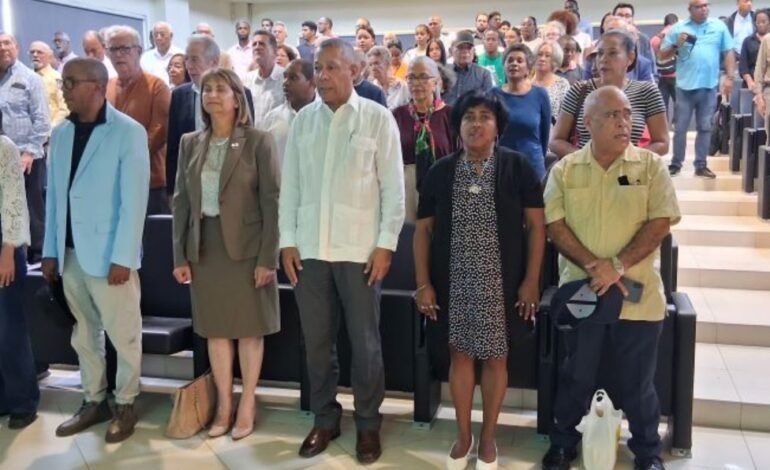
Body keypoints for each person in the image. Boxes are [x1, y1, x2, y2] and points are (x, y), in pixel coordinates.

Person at [279, 38, 405, 465]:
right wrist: (287, 240)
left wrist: (386, 244)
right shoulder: (302, 123)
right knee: (316, 343)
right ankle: (325, 418)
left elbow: (394, 190)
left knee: (366, 344)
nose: (324, 76)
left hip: (361, 251)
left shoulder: (377, 119)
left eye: (333, 67)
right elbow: (290, 187)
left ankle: (368, 424)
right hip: (311, 250)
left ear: (355, 70)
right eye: (319, 68)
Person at [542, 85, 681, 470]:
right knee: (576, 376)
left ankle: (648, 452)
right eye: (612, 115)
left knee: (639, 385)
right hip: (584, 294)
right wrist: (594, 266)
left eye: (627, 114)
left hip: (637, 297)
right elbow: (555, 225)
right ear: (587, 123)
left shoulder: (650, 167)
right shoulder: (566, 170)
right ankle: (563, 443)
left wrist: (615, 266)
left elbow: (660, 223)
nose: (624, 122)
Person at [415, 90, 545, 470]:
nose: (475, 123)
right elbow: (423, 232)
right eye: (468, 117)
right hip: (453, 281)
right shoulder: (441, 170)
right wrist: (423, 284)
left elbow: (537, 228)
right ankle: (463, 435)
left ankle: (487, 438)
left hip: (500, 282)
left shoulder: (518, 167)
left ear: (498, 126)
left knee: (496, 358)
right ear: (457, 127)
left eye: (485, 116)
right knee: (460, 355)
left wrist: (531, 280)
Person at [43, 57, 149, 443]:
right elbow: (55, 195)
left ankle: (126, 402)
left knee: (124, 334)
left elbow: (134, 201)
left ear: (96, 86)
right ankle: (93, 399)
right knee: (84, 334)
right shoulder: (61, 133)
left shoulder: (127, 132)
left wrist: (124, 256)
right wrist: (50, 249)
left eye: (70, 82)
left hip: (109, 255)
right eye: (63, 82)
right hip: (70, 252)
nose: (63, 90)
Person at [172, 67, 280, 441]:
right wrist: (179, 255)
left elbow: (272, 201)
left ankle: (247, 402)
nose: (212, 95)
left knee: (249, 330)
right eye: (207, 90)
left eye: (220, 89)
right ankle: (224, 404)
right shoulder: (190, 142)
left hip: (248, 249)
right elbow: (181, 201)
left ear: (237, 97)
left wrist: (269, 257)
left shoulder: (258, 141)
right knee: (216, 331)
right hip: (205, 247)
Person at [552, 29, 669, 159]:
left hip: (630, 173)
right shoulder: (579, 91)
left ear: (630, 58)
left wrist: (631, 160)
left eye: (612, 53)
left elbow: (662, 143)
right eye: (600, 53)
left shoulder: (647, 92)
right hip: (587, 174)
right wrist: (586, 160)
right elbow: (556, 141)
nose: (603, 59)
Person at [166, 34, 255, 197]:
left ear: (213, 62)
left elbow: (247, 137)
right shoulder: (179, 95)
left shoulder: (239, 93)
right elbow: (173, 146)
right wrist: (172, 191)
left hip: (231, 181)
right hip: (191, 182)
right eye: (187, 59)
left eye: (194, 59)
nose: (189, 66)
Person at [659, 0, 736, 178]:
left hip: (708, 87)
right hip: (684, 88)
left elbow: (729, 52)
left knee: (705, 127)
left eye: (706, 5)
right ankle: (676, 163)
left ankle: (701, 165)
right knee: (680, 129)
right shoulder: (678, 28)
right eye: (699, 7)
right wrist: (676, 44)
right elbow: (662, 56)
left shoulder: (719, 26)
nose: (703, 9)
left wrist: (730, 78)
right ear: (690, 9)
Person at [105, 25, 171, 215]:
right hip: (113, 183)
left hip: (151, 182)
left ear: (139, 51)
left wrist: (127, 161)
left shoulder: (156, 87)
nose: (118, 55)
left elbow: (159, 132)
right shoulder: (105, 87)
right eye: (113, 49)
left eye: (124, 49)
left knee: (154, 242)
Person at [0, 111, 39, 430]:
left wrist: (10, 250)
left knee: (9, 328)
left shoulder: (4, 146)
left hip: (4, 248)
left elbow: (14, 200)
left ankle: (23, 400)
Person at [0, 33, 50, 264]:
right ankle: (13, 254)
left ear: (16, 48)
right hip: (2, 158)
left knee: (32, 208)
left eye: (6, 43)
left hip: (25, 155)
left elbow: (42, 121)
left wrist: (29, 153)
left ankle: (38, 257)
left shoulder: (30, 78)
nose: (2, 48)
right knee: (7, 209)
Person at [393, 56, 458, 222]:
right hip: (406, 189)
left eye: (423, 77)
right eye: (411, 77)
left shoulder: (451, 115)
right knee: (410, 242)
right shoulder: (397, 115)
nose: (416, 83)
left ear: (436, 82)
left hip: (444, 185)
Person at [490, 44, 551, 180]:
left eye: (519, 60)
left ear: (528, 68)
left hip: (533, 166)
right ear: (504, 66)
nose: (514, 64)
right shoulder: (493, 94)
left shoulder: (540, 94)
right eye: (510, 60)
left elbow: (544, 136)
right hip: (502, 165)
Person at [261, 59, 318, 163]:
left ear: (312, 82)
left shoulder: (326, 116)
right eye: (285, 77)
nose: (285, 83)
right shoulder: (272, 118)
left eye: (293, 78)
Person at [245, 30, 285, 128]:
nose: (257, 47)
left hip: (277, 140)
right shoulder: (246, 80)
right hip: (252, 139)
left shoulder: (285, 78)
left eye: (262, 44)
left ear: (274, 51)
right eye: (254, 44)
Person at [444, 31, 493, 106]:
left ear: (473, 51)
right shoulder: (443, 73)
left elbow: (488, 103)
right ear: (451, 51)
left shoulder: (484, 74)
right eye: (460, 47)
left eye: (469, 48)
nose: (465, 51)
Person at [29, 41, 69, 127]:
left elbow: (64, 108)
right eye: (32, 52)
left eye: (40, 52)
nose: (35, 55)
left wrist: (51, 129)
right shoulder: (25, 77)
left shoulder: (57, 78)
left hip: (49, 132)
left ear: (49, 56)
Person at [533, 41, 571, 124]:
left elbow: (567, 116)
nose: (542, 58)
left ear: (554, 60)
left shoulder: (562, 84)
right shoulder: (527, 83)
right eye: (539, 54)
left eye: (547, 56)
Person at [613, 3, 656, 73]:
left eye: (627, 16)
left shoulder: (643, 40)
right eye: (620, 15)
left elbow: (652, 67)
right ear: (614, 18)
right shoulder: (607, 39)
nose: (623, 19)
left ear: (632, 19)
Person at [650, 14, 679, 119]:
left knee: (662, 104)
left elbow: (651, 59)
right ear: (675, 22)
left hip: (661, 75)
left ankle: (664, 128)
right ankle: (677, 126)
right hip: (676, 75)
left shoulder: (654, 39)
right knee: (679, 103)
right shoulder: (677, 36)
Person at [140, 22, 183, 86]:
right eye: (156, 35)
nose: (158, 38)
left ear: (171, 36)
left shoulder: (181, 55)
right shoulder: (145, 57)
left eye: (162, 34)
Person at [740, 9, 769, 91]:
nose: (761, 24)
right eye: (758, 22)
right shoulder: (748, 41)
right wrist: (750, 82)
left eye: (764, 22)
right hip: (751, 82)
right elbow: (743, 67)